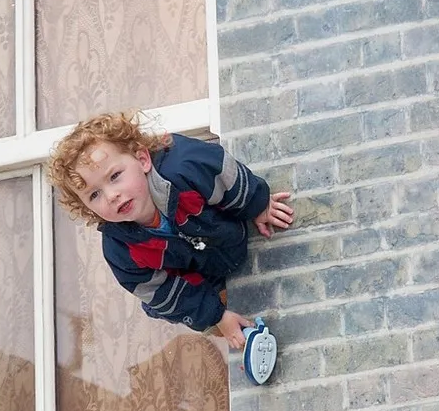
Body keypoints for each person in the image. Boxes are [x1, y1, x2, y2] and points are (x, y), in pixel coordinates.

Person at [47, 111, 293, 349]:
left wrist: (258, 205)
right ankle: (225, 318)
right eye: (94, 194)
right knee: (171, 306)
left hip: (229, 233)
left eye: (115, 176)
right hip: (201, 276)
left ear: (142, 159)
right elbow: (160, 292)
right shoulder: (120, 249)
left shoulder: (183, 167)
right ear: (88, 208)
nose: (112, 196)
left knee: (226, 192)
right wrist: (216, 316)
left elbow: (225, 174)